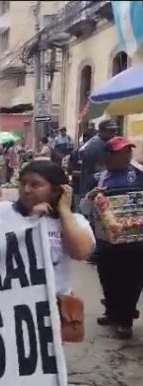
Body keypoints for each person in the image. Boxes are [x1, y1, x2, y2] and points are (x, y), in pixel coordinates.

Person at [0, 160, 94, 293]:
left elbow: (81, 253)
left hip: (56, 304)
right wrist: (31, 221)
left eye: (35, 185)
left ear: (55, 190)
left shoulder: (74, 221)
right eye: (23, 183)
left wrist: (64, 211)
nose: (26, 190)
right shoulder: (4, 211)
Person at [81, 137, 143, 339]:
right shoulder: (98, 179)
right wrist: (91, 197)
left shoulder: (139, 175)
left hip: (135, 240)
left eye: (128, 152)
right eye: (120, 153)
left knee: (132, 279)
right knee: (108, 278)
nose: (126, 156)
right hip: (106, 241)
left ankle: (125, 319)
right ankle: (112, 311)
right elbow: (84, 209)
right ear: (108, 157)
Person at [79, 119, 118, 198]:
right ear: (101, 131)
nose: (114, 134)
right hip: (92, 190)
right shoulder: (97, 145)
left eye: (115, 131)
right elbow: (101, 169)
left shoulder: (101, 142)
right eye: (111, 131)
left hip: (94, 188)